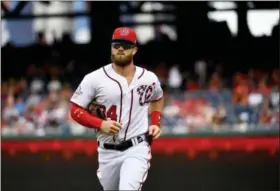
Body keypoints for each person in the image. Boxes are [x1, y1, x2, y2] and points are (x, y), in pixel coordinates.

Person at [69, 27, 164, 190]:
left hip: (137, 147)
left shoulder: (149, 78)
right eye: (116, 44)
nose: (120, 48)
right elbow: (75, 110)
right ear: (111, 47)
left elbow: (157, 98)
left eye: (126, 45)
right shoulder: (94, 79)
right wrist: (100, 124)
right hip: (107, 152)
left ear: (134, 50)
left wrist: (155, 122)